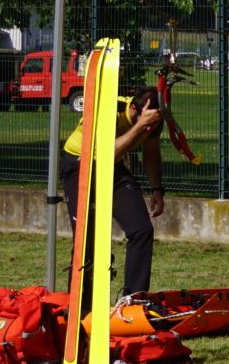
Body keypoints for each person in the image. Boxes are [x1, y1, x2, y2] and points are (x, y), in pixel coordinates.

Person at [60, 83, 169, 299]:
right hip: (81, 164)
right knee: (86, 239)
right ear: (135, 110)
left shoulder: (154, 119)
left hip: (113, 167)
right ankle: (80, 302)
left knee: (141, 229)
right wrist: (139, 127)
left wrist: (157, 189)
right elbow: (105, 153)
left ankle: (134, 298)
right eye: (146, 120)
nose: (150, 127)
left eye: (154, 121)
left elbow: (151, 151)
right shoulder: (110, 110)